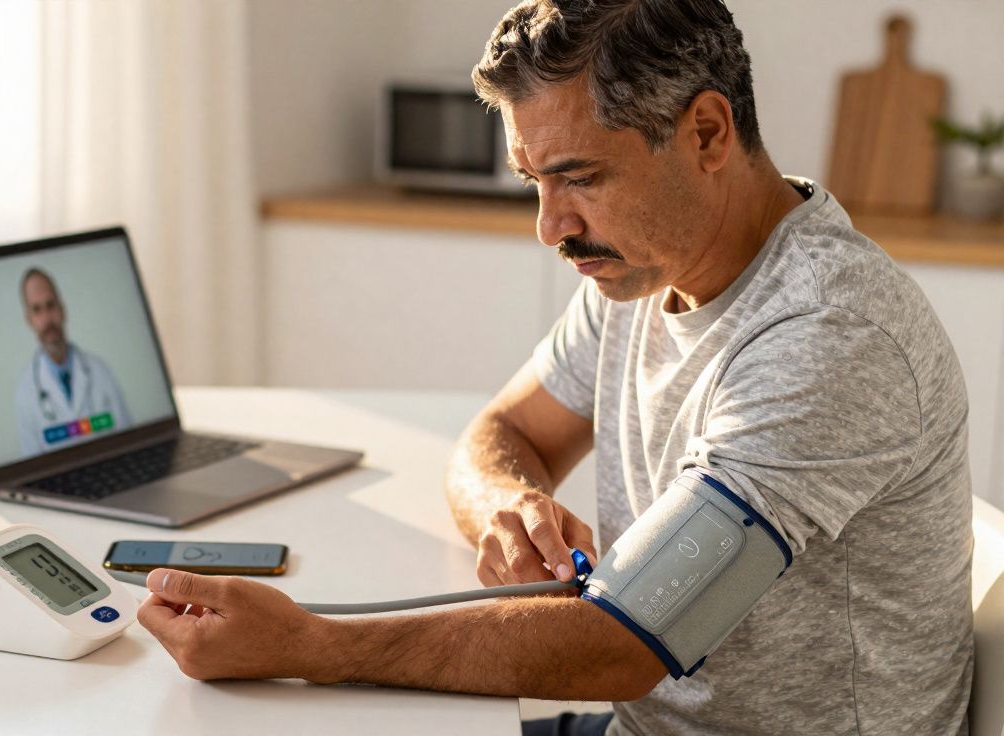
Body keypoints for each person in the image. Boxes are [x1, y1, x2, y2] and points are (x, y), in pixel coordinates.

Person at [135, 1, 974, 733]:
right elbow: (505, 432)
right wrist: (512, 510)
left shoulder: (828, 332)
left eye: (580, 178)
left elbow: (621, 645)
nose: (550, 227)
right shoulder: (646, 264)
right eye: (533, 181)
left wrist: (308, 646)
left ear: (707, 133)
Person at [13, 268, 132, 456]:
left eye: (51, 305)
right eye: (37, 310)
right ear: (29, 320)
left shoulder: (100, 371)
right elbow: (32, 462)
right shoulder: (25, 393)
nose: (47, 318)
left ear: (62, 309)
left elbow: (128, 439)